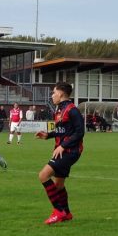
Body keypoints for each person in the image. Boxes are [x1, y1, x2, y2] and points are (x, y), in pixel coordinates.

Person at [35, 82, 84, 225]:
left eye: (53, 92)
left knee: (43, 175)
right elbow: (63, 131)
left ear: (61, 94)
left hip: (70, 151)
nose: (52, 95)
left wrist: (63, 145)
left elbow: (80, 132)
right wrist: (48, 135)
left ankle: (58, 211)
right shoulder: (59, 109)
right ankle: (67, 213)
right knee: (59, 184)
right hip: (63, 150)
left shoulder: (72, 110)